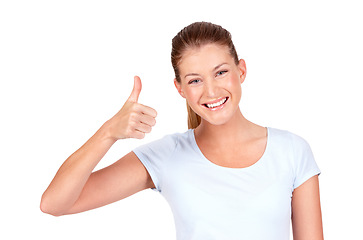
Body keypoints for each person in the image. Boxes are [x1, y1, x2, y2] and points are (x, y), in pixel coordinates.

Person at [40, 22, 324, 239]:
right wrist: (108, 133)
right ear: (180, 89)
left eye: (221, 72)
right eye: (195, 80)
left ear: (241, 71)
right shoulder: (167, 156)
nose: (211, 90)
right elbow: (55, 203)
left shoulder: (291, 151)